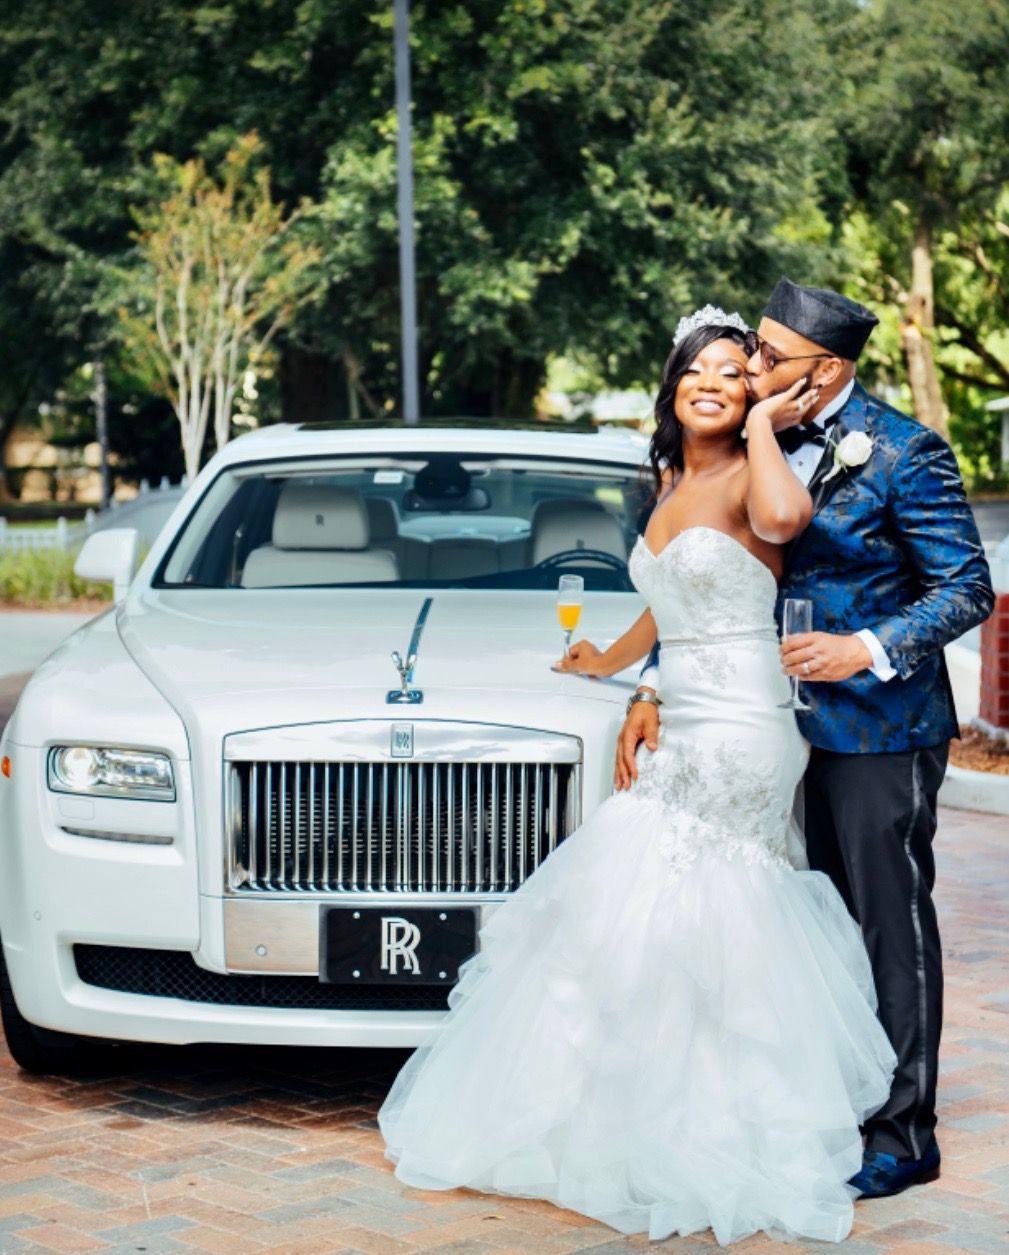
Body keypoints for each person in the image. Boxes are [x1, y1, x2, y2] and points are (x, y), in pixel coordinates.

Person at [378, 307, 898, 1247]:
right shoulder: (665, 478)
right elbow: (663, 600)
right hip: (684, 702)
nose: (713, 380)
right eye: (697, 369)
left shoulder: (754, 472)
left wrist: (757, 429)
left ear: (754, 392)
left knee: (703, 885)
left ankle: (727, 1117)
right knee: (642, 886)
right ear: (670, 388)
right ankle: (624, 1103)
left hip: (744, 720)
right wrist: (609, 664)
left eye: (735, 372)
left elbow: (784, 523)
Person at [624, 278, 995, 1200]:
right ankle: (831, 1102)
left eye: (767, 355)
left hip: (876, 727)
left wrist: (864, 647)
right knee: (807, 928)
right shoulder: (764, 438)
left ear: (826, 368)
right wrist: (649, 681)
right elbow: (704, 585)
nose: (749, 367)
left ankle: (903, 1132)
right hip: (768, 728)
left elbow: (964, 589)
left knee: (885, 925)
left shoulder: (906, 451)